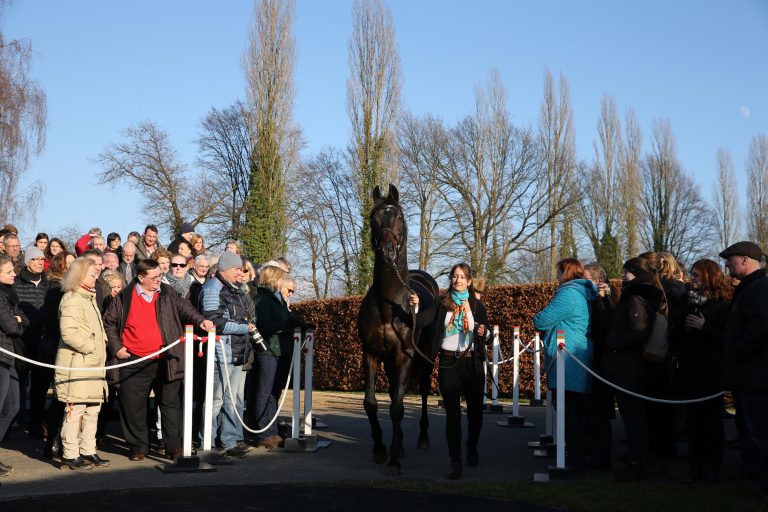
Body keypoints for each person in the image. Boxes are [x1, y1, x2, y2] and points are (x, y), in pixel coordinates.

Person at [103, 259, 213, 461]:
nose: (158, 280)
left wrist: (201, 320)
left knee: (171, 404)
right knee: (133, 405)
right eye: (153, 277)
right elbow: (109, 322)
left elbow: (185, 308)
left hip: (166, 359)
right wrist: (116, 347)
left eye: (159, 276)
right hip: (134, 359)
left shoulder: (167, 293)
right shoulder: (124, 297)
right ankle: (138, 446)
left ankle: (174, 447)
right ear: (140, 277)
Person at [413, 263, 492, 479]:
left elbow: (489, 336)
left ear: (469, 281)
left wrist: (485, 333)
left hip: (473, 362)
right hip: (448, 364)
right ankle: (455, 460)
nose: (457, 280)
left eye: (461, 276)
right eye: (454, 276)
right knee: (453, 416)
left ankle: (472, 446)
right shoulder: (441, 303)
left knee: (475, 415)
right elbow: (420, 322)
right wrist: (415, 307)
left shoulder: (477, 306)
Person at [601, 257, 666, 481]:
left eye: (626, 272)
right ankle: (639, 459)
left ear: (636, 274)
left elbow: (637, 330)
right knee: (634, 415)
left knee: (633, 416)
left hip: (629, 365)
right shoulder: (638, 295)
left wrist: (614, 342)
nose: (623, 276)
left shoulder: (637, 297)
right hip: (629, 364)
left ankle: (642, 462)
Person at [533, 258, 597, 475]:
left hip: (568, 358)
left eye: (558, 272)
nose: (556, 277)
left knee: (570, 412)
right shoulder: (582, 293)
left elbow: (541, 320)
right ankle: (576, 456)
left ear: (566, 273)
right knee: (576, 411)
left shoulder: (568, 294)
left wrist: (538, 317)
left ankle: (575, 461)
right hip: (577, 353)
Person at [720, 241, 768, 499]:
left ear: (746, 261)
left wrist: (736, 352)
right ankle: (754, 472)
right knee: (751, 429)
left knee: (761, 430)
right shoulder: (749, 288)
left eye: (731, 258)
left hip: (757, 375)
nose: (727, 263)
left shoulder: (759, 289)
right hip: (748, 374)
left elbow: (761, 329)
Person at [675, 259, 730, 483]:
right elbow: (676, 334)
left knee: (712, 423)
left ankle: (713, 467)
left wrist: (704, 328)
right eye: (692, 274)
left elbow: (727, 339)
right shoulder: (687, 303)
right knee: (695, 423)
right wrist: (685, 329)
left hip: (711, 372)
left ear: (709, 277)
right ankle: (696, 466)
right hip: (690, 370)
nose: (692, 279)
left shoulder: (722, 305)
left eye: (696, 275)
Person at [54, 257, 111, 470]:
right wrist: (91, 348)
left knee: (93, 409)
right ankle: (70, 453)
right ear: (79, 275)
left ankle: (88, 449)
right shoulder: (72, 299)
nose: (96, 276)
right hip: (78, 363)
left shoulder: (88, 298)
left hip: (94, 364)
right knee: (75, 410)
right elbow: (68, 334)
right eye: (91, 273)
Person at [199, 252, 255, 457]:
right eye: (237, 269)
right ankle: (208, 441)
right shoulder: (214, 288)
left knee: (233, 400)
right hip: (221, 352)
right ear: (226, 268)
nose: (239, 272)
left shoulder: (236, 289)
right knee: (215, 400)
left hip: (238, 352)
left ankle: (230, 441)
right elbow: (214, 322)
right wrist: (244, 329)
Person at [251, 265, 308, 449]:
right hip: (268, 350)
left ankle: (272, 430)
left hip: (280, 349)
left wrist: (300, 323)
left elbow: (285, 319)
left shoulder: (278, 299)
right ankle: (263, 432)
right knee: (264, 392)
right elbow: (266, 324)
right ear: (274, 279)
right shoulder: (263, 299)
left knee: (275, 393)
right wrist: (287, 323)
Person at [639, 251, 685, 470]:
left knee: (656, 405)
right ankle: (664, 449)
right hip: (670, 352)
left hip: (659, 353)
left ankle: (657, 451)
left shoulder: (661, 290)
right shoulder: (678, 289)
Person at [41, 251, 75, 459]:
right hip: (58, 347)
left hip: (70, 348)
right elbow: (54, 322)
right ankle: (53, 440)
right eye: (68, 263)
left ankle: (66, 441)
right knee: (61, 397)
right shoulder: (55, 290)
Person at [14, 246, 49, 438]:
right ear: (28, 262)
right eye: (36, 259)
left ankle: (36, 422)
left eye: (42, 259)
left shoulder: (48, 284)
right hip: (22, 341)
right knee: (19, 382)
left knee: (40, 385)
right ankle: (14, 420)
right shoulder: (16, 284)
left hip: (42, 342)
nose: (40, 262)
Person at [583, 262, 615, 470]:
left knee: (599, 412)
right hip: (596, 361)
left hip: (601, 362)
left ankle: (601, 456)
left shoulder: (603, 302)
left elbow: (604, 328)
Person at [0, 254, 28, 478]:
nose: (14, 274)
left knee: (12, 407)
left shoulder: (10, 294)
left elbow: (22, 320)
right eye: (9, 271)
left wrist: (18, 320)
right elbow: (11, 325)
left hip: (9, 355)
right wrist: (17, 321)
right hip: (1, 355)